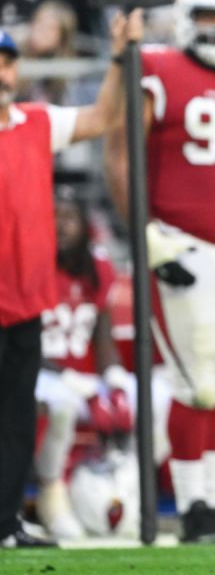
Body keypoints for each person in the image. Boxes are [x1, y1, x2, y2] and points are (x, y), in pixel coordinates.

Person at [104, 0, 215, 543]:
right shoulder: (156, 68)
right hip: (182, 245)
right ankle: (196, 506)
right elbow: (119, 154)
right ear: (184, 19)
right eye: (208, 17)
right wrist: (147, 238)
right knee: (194, 379)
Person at [0, 10, 142, 549]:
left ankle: (6, 523)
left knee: (15, 421)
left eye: (6, 64)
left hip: (27, 302)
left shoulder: (37, 121)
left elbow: (105, 116)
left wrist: (117, 57)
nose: (1, 74)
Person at [34, 187, 133, 541]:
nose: (61, 227)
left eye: (69, 217)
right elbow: (22, 342)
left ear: (84, 224)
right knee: (61, 405)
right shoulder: (30, 264)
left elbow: (103, 335)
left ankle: (129, 491)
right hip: (38, 372)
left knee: (146, 400)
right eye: (53, 218)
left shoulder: (96, 267)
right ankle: (52, 494)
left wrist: (115, 378)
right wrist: (75, 380)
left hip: (85, 377)